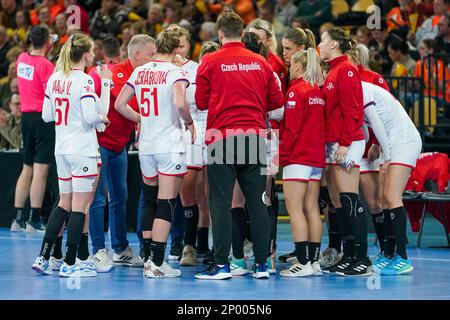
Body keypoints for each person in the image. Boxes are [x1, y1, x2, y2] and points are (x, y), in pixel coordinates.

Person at [194, 11, 284, 280]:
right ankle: (260, 265)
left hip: (221, 137)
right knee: (257, 203)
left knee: (220, 202)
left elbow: (200, 103)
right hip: (254, 137)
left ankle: (222, 265)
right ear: (243, 32)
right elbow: (276, 103)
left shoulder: (209, 61)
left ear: (220, 34)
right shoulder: (260, 62)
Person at [115, 29, 195, 278]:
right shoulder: (175, 72)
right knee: (167, 201)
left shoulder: (139, 71)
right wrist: (190, 123)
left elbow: (119, 104)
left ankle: (148, 255)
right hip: (169, 144)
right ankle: (158, 263)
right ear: (175, 51)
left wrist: (141, 118)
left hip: (146, 145)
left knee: (149, 197)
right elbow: (181, 103)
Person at [31, 33, 110, 277]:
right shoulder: (85, 81)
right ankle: (71, 262)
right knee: (80, 206)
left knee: (64, 203)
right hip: (82, 150)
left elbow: (47, 115)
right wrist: (100, 120)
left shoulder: (55, 78)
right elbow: (90, 116)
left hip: (62, 149)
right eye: (93, 52)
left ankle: (44, 257)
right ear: (85, 55)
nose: (95, 55)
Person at [89, 34, 156, 271]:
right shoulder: (118, 72)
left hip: (119, 145)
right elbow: (125, 106)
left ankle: (120, 249)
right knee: (98, 199)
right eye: (151, 54)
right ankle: (98, 250)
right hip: (100, 144)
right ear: (137, 55)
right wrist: (148, 119)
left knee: (120, 197)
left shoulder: (143, 75)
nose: (154, 58)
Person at [318, 27, 371, 276]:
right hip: (334, 142)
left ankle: (363, 258)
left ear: (335, 44)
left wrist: (344, 143)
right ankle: (349, 254)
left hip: (345, 142)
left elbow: (353, 111)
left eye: (323, 40)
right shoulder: (334, 71)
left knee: (349, 198)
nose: (320, 44)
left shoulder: (346, 70)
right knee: (339, 202)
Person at [361, 81, 422, 275]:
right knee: (385, 199)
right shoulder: (353, 89)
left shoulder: (361, 89)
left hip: (404, 141)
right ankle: (389, 254)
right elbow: (363, 128)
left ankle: (403, 258)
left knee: (392, 197)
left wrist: (387, 157)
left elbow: (377, 125)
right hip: (391, 141)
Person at [279, 48, 325, 277]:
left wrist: (282, 155)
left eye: (291, 65)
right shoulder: (317, 91)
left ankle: (303, 262)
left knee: (295, 209)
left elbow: (292, 129)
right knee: (312, 209)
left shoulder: (296, 91)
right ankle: (314, 262)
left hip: (299, 157)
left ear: (298, 66)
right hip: (316, 157)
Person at [169, 26, 211, 267]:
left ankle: (202, 244)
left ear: (188, 47)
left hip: (199, 131)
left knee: (204, 193)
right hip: (175, 134)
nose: (177, 51)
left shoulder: (196, 69)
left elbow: (200, 102)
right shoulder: (163, 70)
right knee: (184, 193)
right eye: (174, 46)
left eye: (182, 46)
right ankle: (188, 245)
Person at [13, 25, 54, 233]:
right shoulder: (46, 65)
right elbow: (51, 94)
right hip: (42, 119)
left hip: (26, 119)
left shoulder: (21, 59)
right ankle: (34, 220)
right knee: (40, 170)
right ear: (48, 43)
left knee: (26, 167)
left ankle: (17, 219)